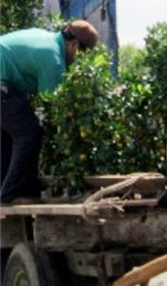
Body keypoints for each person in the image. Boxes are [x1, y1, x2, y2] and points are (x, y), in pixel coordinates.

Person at [1, 20, 98, 204]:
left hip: (5, 85)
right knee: (30, 134)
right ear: (74, 44)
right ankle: (9, 196)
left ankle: (21, 194)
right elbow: (54, 105)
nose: (80, 61)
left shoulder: (47, 39)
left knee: (9, 137)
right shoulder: (53, 59)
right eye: (83, 55)